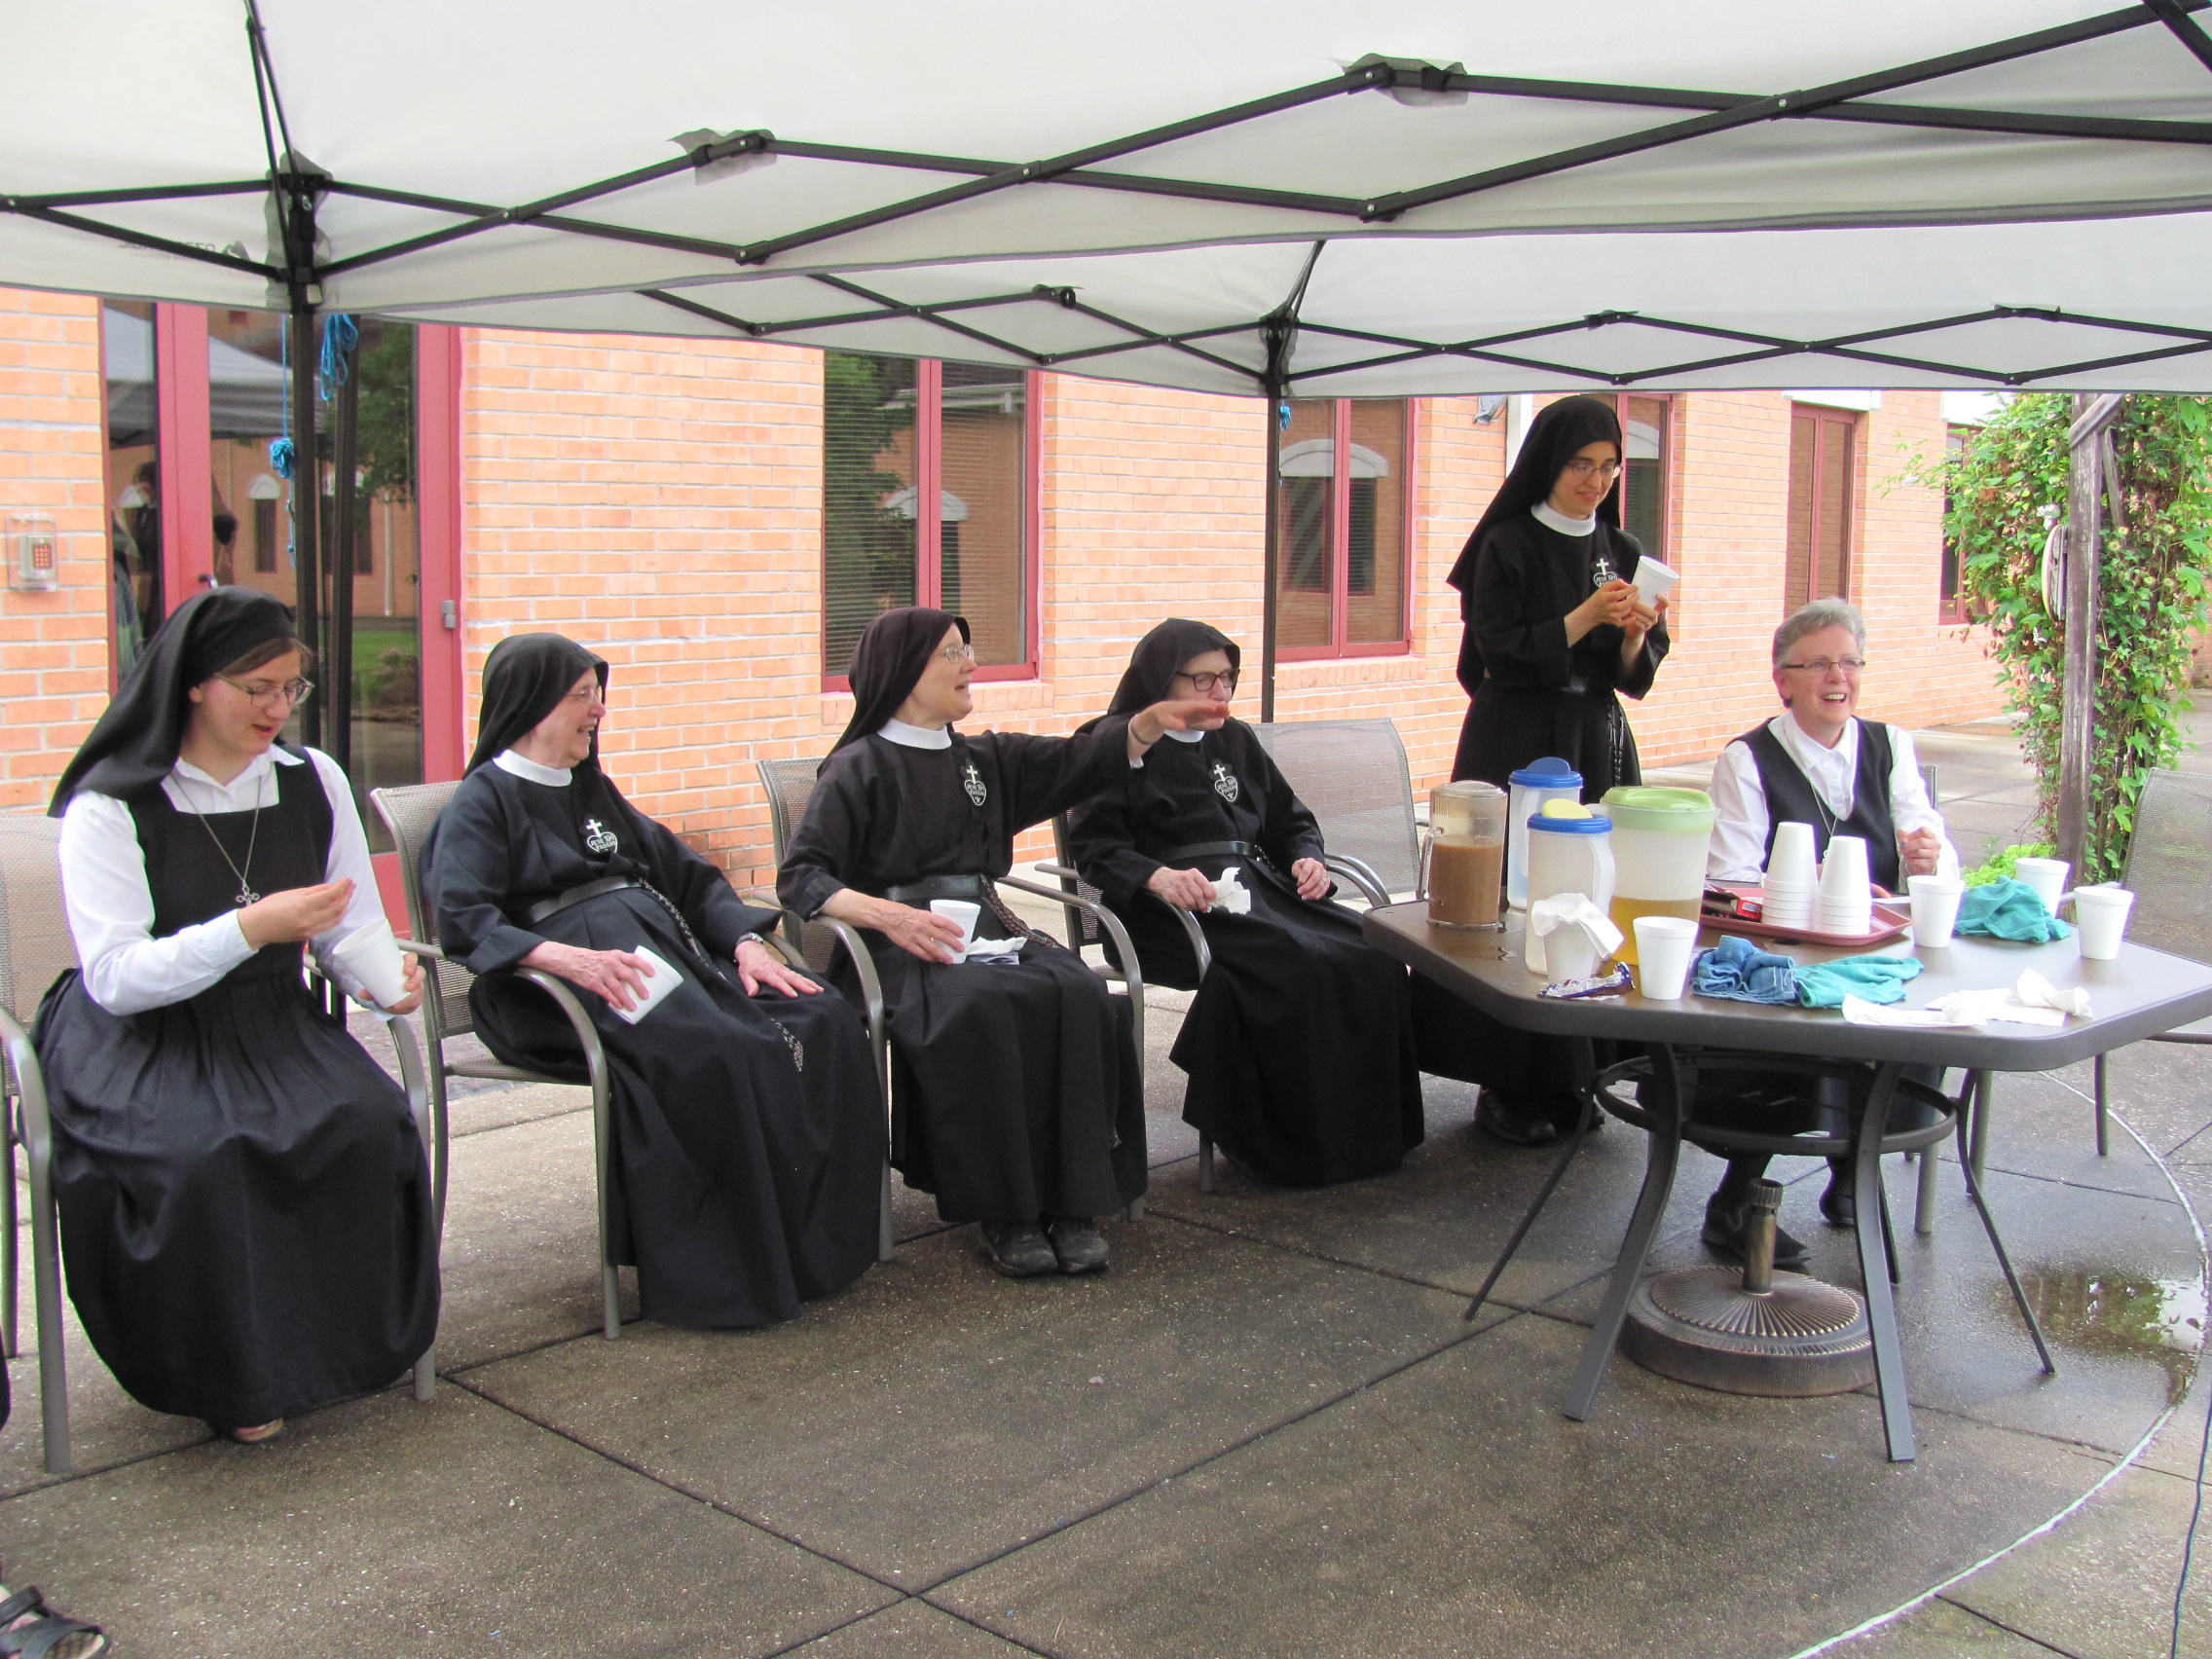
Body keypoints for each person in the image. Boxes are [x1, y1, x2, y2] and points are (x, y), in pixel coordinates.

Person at [37, 587, 438, 1444]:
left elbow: (349, 916)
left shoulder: (312, 779)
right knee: (206, 1159)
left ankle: (336, 1346)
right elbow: (116, 978)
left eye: (290, 688)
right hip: (142, 1037)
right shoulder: (111, 805)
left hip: (267, 1016)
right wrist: (249, 928)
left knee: (366, 1123)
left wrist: (378, 980)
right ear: (191, 683)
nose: (275, 708)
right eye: (254, 687)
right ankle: (236, 1381)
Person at [426, 633, 881, 1328]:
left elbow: (690, 876)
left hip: (657, 962)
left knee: (824, 1018)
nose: (598, 710)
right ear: (532, 704)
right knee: (724, 1055)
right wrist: (566, 959)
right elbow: (462, 915)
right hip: (561, 991)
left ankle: (811, 1246)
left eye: (597, 694)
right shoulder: (484, 800)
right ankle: (732, 1276)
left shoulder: (593, 790)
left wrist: (746, 946)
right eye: (582, 696)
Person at [777, 608, 1220, 1278]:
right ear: (901, 674)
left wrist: (1147, 724)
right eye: (951, 654)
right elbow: (801, 875)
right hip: (900, 947)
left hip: (988, 925)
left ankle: (1072, 1199)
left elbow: (1077, 762)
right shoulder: (856, 768)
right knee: (979, 1009)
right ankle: (1006, 1210)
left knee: (1078, 991)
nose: (970, 664)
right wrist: (890, 919)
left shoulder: (985, 759)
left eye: (968, 649)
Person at [1064, 619, 1423, 1186]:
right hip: (1163, 911)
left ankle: (1364, 1136)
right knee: (1297, 966)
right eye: (1203, 680)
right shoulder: (1114, 740)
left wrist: (1307, 856)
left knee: (1372, 953)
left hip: (1256, 891)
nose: (1221, 694)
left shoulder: (1234, 738)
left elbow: (1288, 817)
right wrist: (1156, 876)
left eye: (1228, 679)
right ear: (1162, 679)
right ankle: (1281, 1143)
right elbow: (1095, 847)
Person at [1432, 395, 1672, 1147]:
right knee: (1515, 898)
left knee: (1589, 892)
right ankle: (1505, 1082)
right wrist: (1585, 617)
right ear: (1549, 463)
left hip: (1594, 733)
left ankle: (1576, 1074)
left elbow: (1634, 675)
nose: (1596, 481)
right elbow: (1499, 653)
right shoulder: (1507, 543)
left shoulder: (1622, 547)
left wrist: (1636, 634)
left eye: (1608, 467)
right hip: (1517, 732)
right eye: (1581, 465)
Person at [1697, 598, 1959, 1264]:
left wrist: (1930, 856)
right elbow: (1732, 879)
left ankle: (1854, 1175)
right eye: (1818, 664)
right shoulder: (1748, 760)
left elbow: (1927, 843)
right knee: (1798, 1025)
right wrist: (1818, 890)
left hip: (1876, 944)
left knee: (1919, 1005)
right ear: (1783, 680)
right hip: (1791, 948)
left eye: (1848, 661)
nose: (1836, 676)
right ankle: (1735, 1199)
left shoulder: (1890, 745)